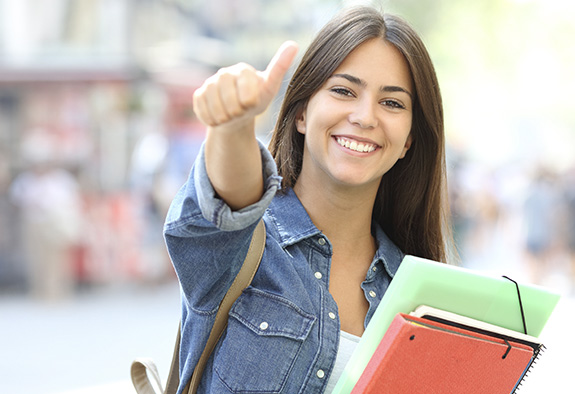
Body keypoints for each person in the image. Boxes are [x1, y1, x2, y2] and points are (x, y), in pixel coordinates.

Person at [164, 6, 451, 393]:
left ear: (408, 141)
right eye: (343, 91)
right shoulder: (243, 247)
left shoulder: (419, 295)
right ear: (301, 113)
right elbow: (231, 201)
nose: (365, 117)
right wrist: (233, 126)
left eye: (392, 103)